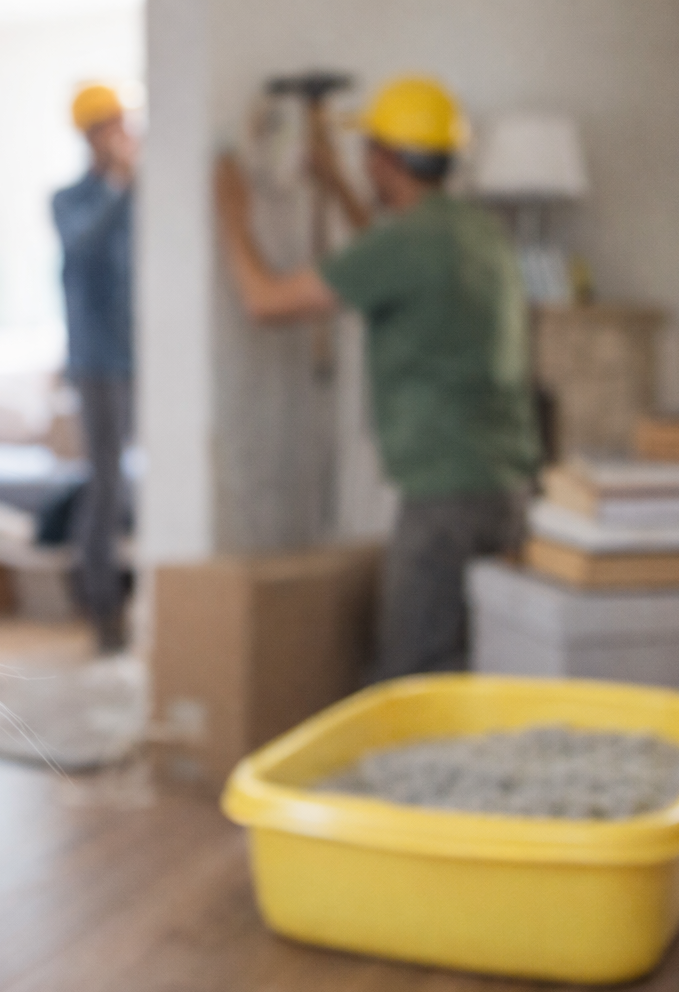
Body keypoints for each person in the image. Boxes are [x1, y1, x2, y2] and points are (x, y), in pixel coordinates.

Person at [214, 77, 541, 679]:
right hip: (506, 488)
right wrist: (336, 182)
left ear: (385, 159)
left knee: (411, 675)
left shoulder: (404, 246)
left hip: (443, 497)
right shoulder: (478, 233)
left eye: (369, 153)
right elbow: (391, 260)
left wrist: (232, 214)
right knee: (477, 664)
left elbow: (265, 303)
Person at [52, 83, 138, 653]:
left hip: (143, 357)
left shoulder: (143, 190)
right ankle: (102, 608)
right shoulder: (70, 199)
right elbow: (82, 245)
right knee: (105, 483)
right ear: (89, 135)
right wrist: (119, 184)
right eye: (104, 126)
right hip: (98, 362)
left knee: (126, 484)